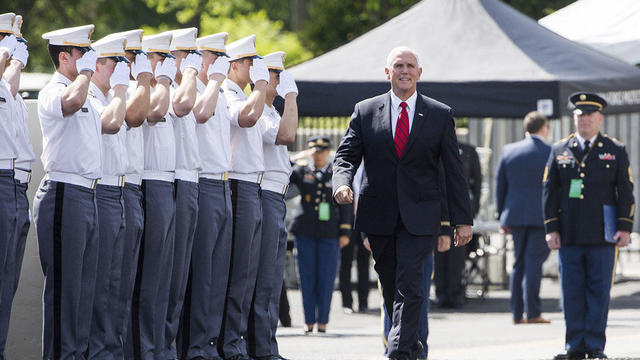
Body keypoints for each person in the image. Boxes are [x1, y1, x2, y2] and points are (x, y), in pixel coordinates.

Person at [332, 46, 473, 360]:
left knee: (411, 288)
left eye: (410, 66)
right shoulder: (365, 110)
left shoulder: (439, 114)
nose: (405, 71)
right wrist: (341, 184)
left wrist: (462, 220)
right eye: (398, 65)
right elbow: (345, 157)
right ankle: (412, 347)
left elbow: (453, 172)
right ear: (387, 72)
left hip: (420, 217)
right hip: (379, 216)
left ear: (420, 73)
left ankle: (396, 353)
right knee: (392, 288)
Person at [543, 92, 633, 360]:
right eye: (580, 115)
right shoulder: (559, 149)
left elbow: (625, 191)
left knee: (598, 291)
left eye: (590, 115)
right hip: (569, 234)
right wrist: (551, 228)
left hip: (603, 235)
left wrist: (625, 227)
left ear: (600, 118)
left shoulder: (615, 150)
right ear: (574, 118)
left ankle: (594, 345)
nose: (584, 120)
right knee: (571, 291)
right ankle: (574, 344)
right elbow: (549, 192)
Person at [36, 24, 101, 360]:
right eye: (82, 53)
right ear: (65, 57)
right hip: (64, 192)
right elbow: (71, 102)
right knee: (64, 293)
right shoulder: (55, 90)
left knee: (82, 293)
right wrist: (88, 72)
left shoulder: (85, 91)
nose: (89, 59)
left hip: (87, 196)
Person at [178, 31, 231, 360]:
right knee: (201, 274)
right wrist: (211, 80)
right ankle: (195, 347)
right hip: (203, 181)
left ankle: (208, 344)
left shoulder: (218, 90)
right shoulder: (198, 89)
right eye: (214, 56)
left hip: (222, 183)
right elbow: (198, 114)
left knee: (217, 275)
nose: (219, 63)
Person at [101, 28, 153, 360]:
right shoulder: (113, 93)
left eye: (129, 59)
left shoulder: (130, 90)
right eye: (120, 59)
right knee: (105, 284)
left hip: (128, 189)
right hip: (106, 190)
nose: (128, 65)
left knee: (124, 284)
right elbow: (133, 117)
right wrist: (141, 81)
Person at [219, 34, 269, 360]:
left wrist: (261, 90)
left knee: (248, 275)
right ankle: (229, 345)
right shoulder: (228, 92)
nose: (255, 68)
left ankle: (236, 343)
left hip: (253, 185)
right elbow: (247, 119)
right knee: (237, 273)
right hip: (238, 185)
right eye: (250, 62)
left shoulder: (244, 93)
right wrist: (262, 87)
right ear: (235, 65)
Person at [246, 52, 298, 360]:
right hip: (265, 196)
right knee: (264, 278)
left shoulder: (269, 111)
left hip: (275, 197)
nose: (279, 82)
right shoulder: (264, 113)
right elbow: (288, 135)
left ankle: (266, 345)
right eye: (275, 76)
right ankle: (261, 348)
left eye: (280, 76)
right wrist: (291, 98)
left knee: (271, 278)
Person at [130, 31, 176, 360]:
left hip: (166, 182)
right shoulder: (142, 87)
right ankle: (142, 350)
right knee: (146, 279)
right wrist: (160, 80)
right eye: (161, 57)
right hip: (146, 182)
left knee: (162, 279)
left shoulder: (162, 86)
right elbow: (154, 114)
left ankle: (157, 348)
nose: (166, 64)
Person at [85, 34, 131, 360]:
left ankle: (110, 352)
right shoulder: (92, 96)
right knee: (99, 284)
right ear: (99, 63)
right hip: (99, 193)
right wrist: (121, 90)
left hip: (119, 192)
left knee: (117, 285)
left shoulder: (110, 96)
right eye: (117, 62)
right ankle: (97, 352)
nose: (121, 70)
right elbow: (111, 124)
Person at [163, 27, 203, 360]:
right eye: (184, 55)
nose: (192, 62)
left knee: (179, 281)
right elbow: (184, 106)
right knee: (167, 277)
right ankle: (163, 348)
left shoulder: (187, 86)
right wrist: (190, 71)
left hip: (189, 182)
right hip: (170, 183)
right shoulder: (175, 90)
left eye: (194, 56)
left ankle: (171, 347)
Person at [290, 136, 353, 334]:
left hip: (329, 233)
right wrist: (299, 157)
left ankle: (323, 321)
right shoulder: (302, 171)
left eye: (322, 151)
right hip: (305, 231)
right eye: (315, 151)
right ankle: (309, 321)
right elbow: (284, 170)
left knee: (326, 278)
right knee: (306, 277)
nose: (318, 155)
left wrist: (345, 230)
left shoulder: (336, 174)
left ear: (328, 152)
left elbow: (345, 204)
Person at [496, 111, 552, 324]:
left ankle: (516, 313)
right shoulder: (550, 151)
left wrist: (502, 215)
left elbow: (500, 186)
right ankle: (533, 311)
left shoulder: (509, 151)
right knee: (533, 264)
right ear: (543, 128)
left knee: (518, 263)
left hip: (515, 215)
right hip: (542, 216)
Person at [0, 15, 34, 359]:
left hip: (14, 188)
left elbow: (9, 86)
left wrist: (13, 58)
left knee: (6, 285)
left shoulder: (8, 89)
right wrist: (8, 56)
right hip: (1, 186)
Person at [433, 131, 482, 309]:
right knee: (439, 255)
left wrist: (471, 212)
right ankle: (440, 293)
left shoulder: (468, 151)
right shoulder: (433, 149)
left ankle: (454, 293)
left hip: (459, 212)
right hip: (438, 212)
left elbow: (476, 183)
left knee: (457, 257)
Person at [339, 164, 372, 314]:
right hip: (348, 221)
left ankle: (363, 302)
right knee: (345, 263)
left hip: (365, 220)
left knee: (364, 263)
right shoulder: (348, 167)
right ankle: (347, 303)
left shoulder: (371, 166)